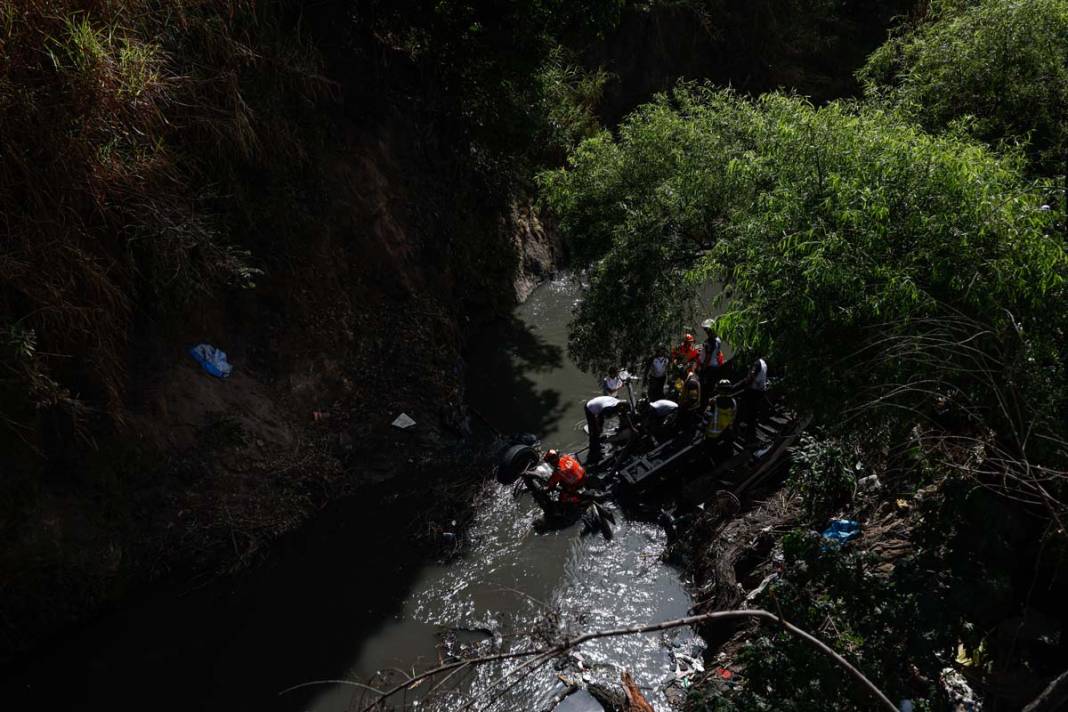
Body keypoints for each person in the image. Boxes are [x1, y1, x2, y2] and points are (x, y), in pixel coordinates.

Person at [734, 357, 769, 445]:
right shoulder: (764, 363)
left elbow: (751, 376)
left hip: (753, 391)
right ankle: (750, 436)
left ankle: (740, 433)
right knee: (752, 414)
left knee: (743, 411)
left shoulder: (757, 363)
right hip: (759, 392)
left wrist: (742, 385)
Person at [584, 395, 629, 459]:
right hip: (590, 409)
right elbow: (599, 416)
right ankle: (593, 452)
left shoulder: (617, 402)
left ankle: (598, 444)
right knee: (594, 432)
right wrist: (597, 427)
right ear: (620, 407)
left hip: (598, 407)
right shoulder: (608, 408)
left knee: (599, 428)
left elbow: (602, 416)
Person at [703, 379, 737, 460]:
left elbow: (706, 417)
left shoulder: (713, 402)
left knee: (710, 452)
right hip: (725, 431)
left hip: (711, 434)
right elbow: (733, 417)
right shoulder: (733, 402)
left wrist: (703, 426)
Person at [697, 327, 724, 406]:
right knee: (710, 389)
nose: (706, 333)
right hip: (714, 366)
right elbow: (718, 353)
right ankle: (706, 405)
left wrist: (702, 369)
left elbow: (708, 357)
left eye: (707, 331)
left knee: (703, 389)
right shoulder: (718, 340)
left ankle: (702, 406)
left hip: (708, 367)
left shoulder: (709, 342)